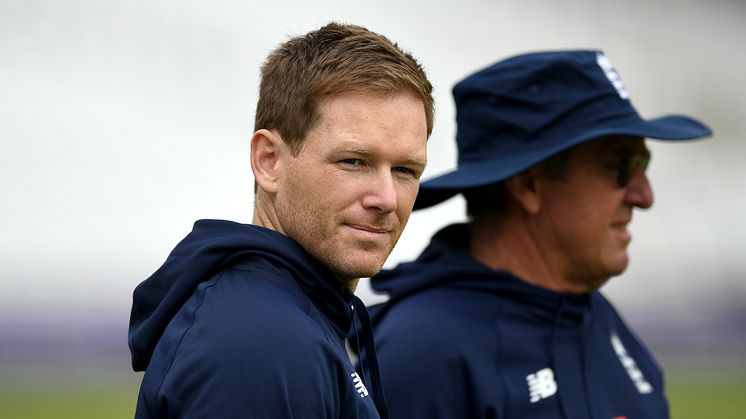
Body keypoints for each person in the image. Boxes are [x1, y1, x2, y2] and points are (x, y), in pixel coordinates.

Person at [363, 50, 711, 419]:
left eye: (643, 163)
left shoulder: (596, 319)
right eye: (620, 166)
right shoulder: (425, 352)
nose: (645, 196)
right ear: (528, 185)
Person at [128, 22, 433, 419]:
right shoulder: (261, 343)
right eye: (353, 161)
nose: (387, 199)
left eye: (406, 170)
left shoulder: (295, 315)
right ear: (268, 161)